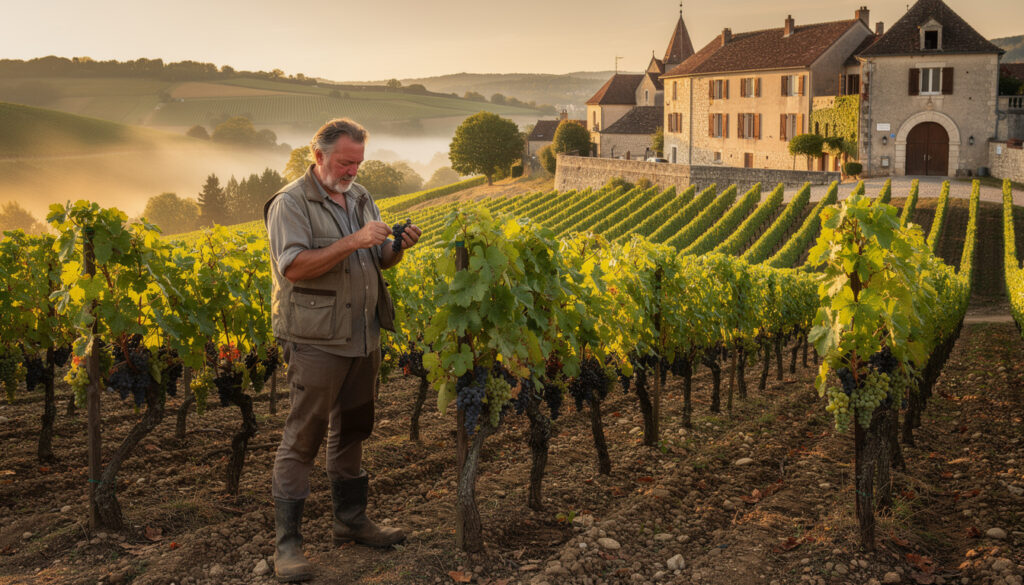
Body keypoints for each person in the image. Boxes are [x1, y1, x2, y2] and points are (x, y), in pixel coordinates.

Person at [263, 118, 421, 582]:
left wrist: (397, 247)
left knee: (354, 426)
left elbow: (377, 259)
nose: (353, 170)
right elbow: (292, 267)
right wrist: (354, 239)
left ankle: (349, 521)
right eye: (345, 161)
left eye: (358, 162)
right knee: (304, 434)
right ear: (319, 156)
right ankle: (287, 545)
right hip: (316, 339)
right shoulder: (290, 203)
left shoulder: (360, 196)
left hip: (362, 333)